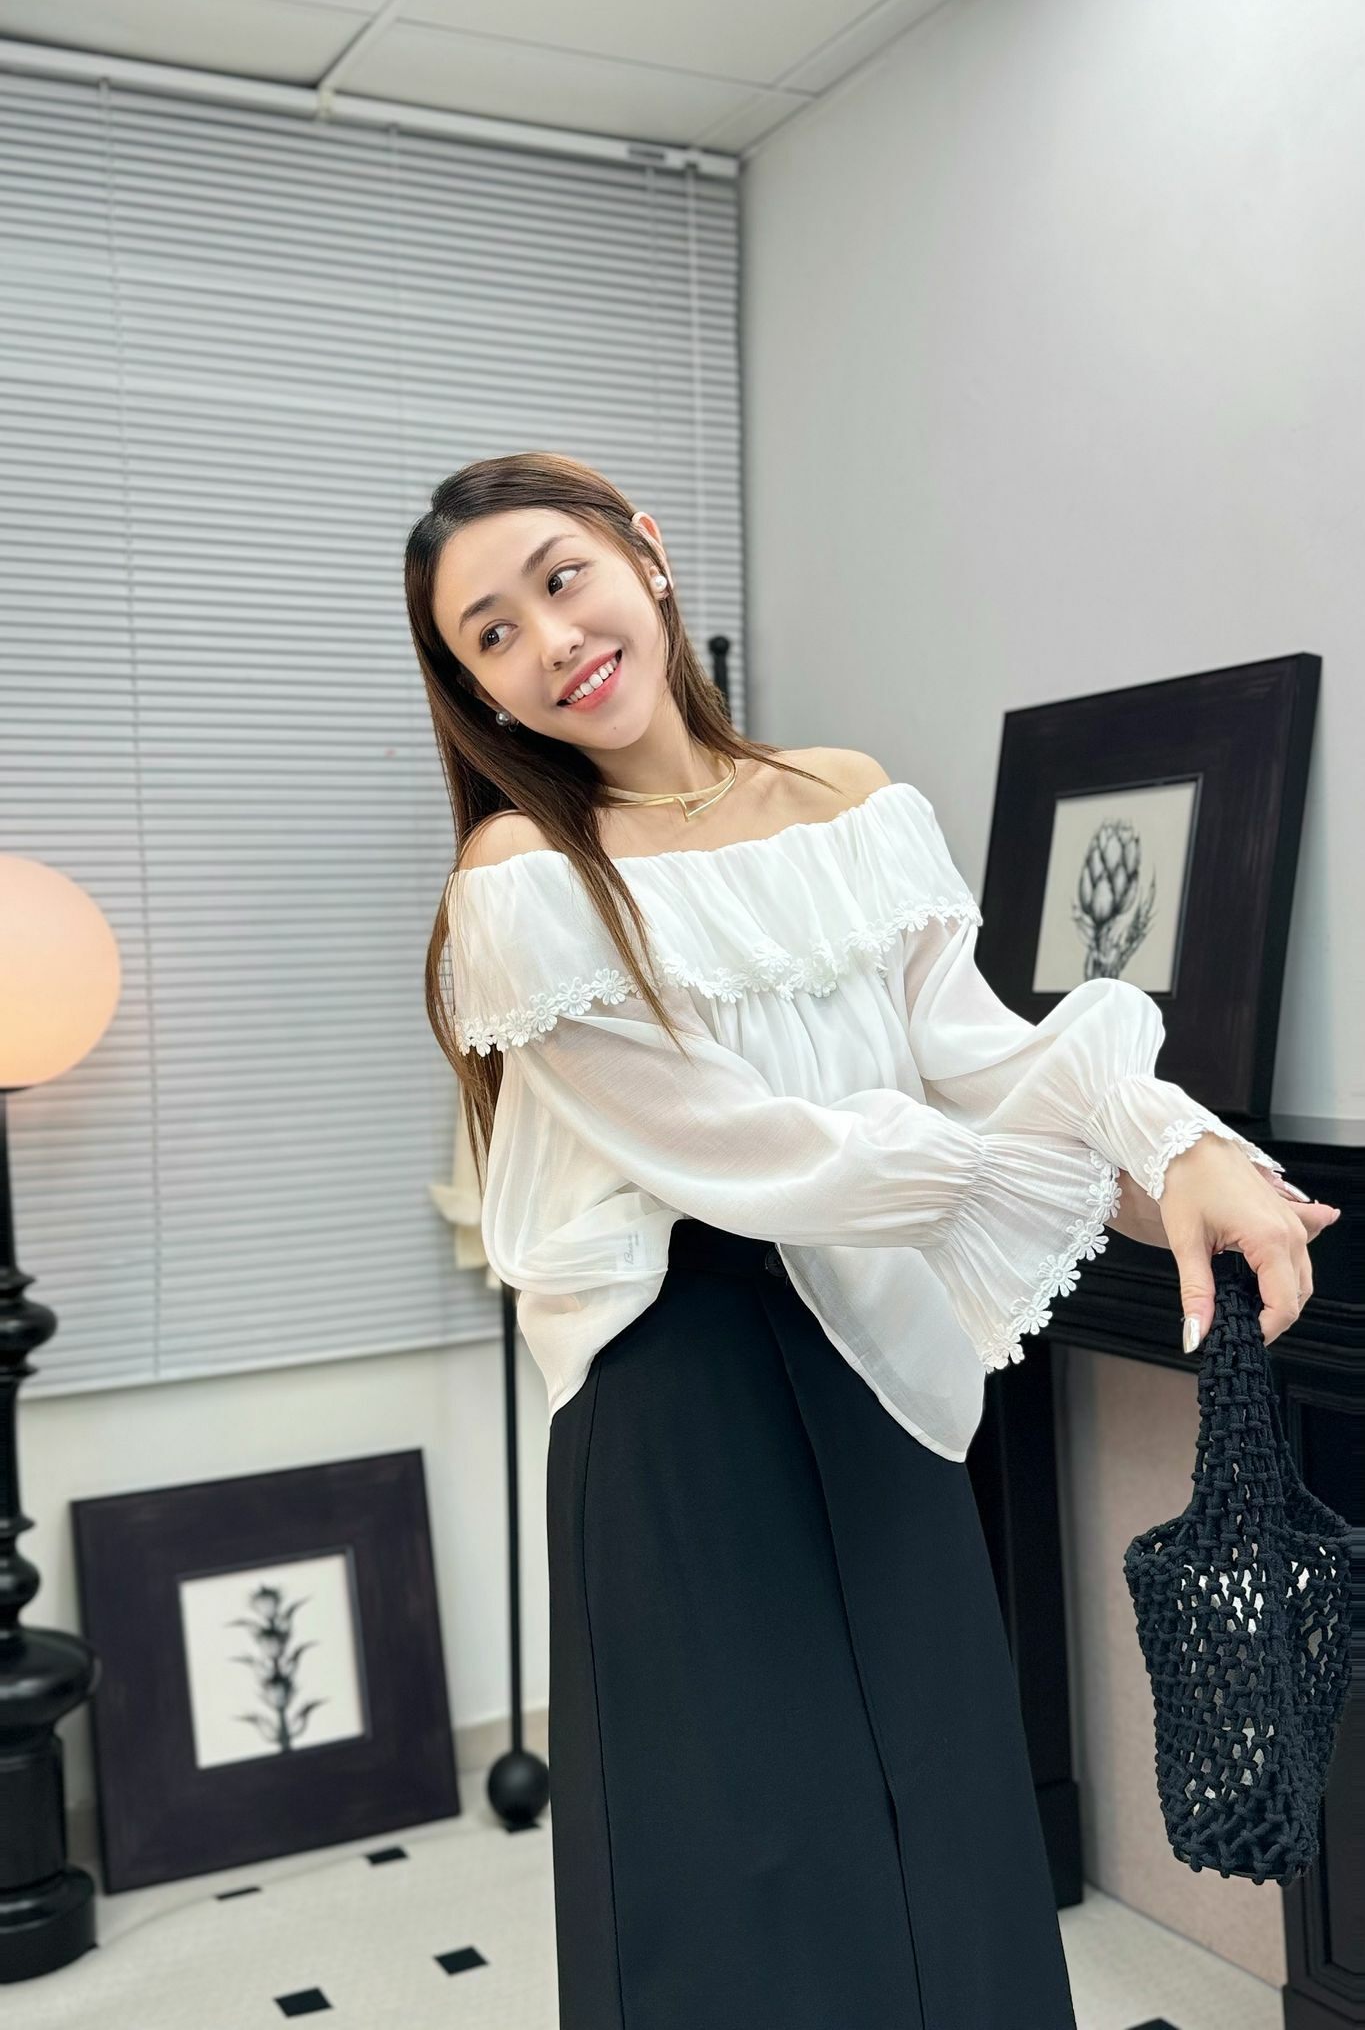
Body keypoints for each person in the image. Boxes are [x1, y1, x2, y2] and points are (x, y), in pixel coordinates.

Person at [404, 450, 1339, 2030]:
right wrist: (1082, 1171)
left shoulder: (848, 799)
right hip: (678, 1382)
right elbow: (749, 1154)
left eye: (560, 579)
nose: (549, 641)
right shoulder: (522, 881)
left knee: (942, 1806)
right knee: (739, 1863)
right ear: (476, 692)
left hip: (878, 1361)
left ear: (644, 553)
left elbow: (972, 1049)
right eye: (490, 634)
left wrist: (1176, 1147)